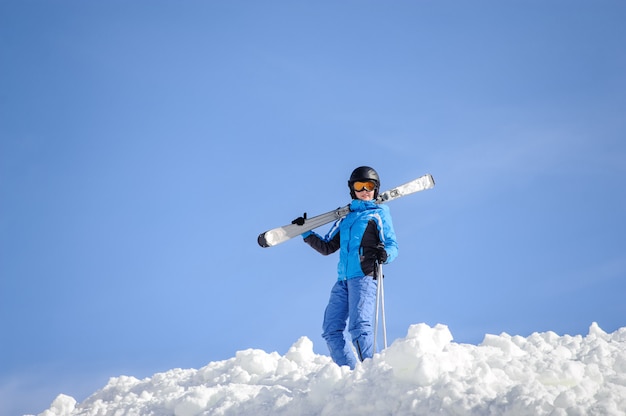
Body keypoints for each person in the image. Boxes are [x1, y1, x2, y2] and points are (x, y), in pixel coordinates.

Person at [296, 166, 398, 369]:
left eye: (369, 186)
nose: (364, 190)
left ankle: (373, 371)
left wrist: (385, 255)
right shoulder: (346, 219)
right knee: (331, 330)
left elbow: (392, 245)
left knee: (359, 327)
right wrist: (306, 231)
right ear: (353, 190)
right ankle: (350, 374)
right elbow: (327, 247)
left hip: (365, 276)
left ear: (376, 189)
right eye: (359, 186)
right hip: (343, 280)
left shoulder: (379, 214)